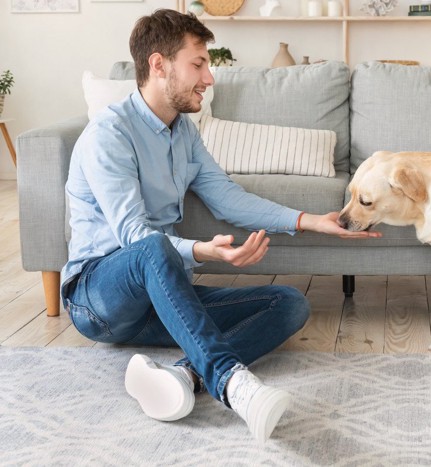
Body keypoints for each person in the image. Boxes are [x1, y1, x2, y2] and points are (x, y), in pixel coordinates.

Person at [61, 9, 380, 443]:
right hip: (98, 298)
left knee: (288, 303)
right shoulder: (109, 134)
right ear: (158, 65)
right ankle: (235, 386)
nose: (209, 78)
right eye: (198, 64)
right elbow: (135, 238)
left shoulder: (184, 132)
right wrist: (203, 251)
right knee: (152, 247)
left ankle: (182, 378)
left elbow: (227, 197)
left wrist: (308, 221)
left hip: (160, 300)